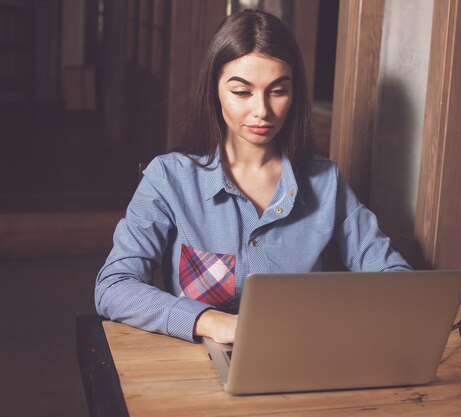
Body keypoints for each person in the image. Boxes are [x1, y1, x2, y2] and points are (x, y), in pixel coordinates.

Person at [95, 9, 411, 344]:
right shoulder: (169, 179)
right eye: (242, 92)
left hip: (303, 355)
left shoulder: (326, 181)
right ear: (215, 90)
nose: (262, 110)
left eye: (277, 91)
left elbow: (395, 278)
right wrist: (210, 320)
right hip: (202, 369)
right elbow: (114, 287)